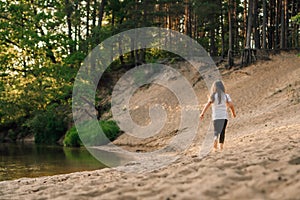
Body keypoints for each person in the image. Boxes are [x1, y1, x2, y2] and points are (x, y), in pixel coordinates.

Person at [200, 80, 236, 151]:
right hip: (224, 117)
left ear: (214, 88)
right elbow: (231, 105)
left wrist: (202, 113)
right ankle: (221, 146)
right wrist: (233, 113)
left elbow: (207, 105)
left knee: (216, 130)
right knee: (223, 131)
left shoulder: (213, 96)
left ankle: (215, 138)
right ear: (222, 87)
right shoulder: (226, 96)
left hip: (216, 117)